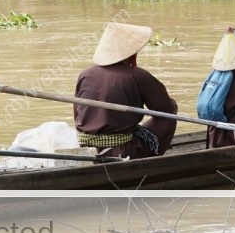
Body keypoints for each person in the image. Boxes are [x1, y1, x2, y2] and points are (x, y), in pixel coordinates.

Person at [74, 22, 178, 159]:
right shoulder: (137, 75)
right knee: (170, 113)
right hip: (123, 151)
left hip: (87, 148)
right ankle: (151, 160)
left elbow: (78, 115)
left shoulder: (85, 74)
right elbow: (164, 108)